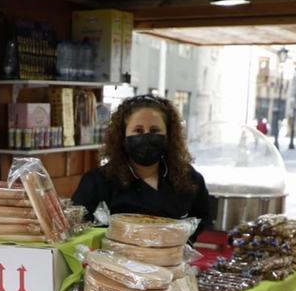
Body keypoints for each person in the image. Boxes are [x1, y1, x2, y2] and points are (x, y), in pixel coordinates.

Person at [72, 94, 212, 239]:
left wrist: (178, 245)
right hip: (115, 261)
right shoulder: (97, 182)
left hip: (172, 259)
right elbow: (80, 231)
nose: (146, 137)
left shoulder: (188, 178)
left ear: (169, 135)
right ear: (122, 137)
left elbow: (202, 218)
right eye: (138, 131)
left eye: (154, 130)